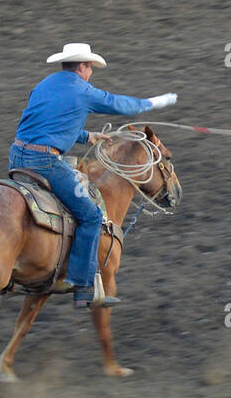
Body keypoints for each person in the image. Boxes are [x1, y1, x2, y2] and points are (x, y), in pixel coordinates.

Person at [9, 42, 177, 307]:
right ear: (83, 66)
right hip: (45, 162)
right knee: (91, 215)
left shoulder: (45, 85)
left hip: (17, 157)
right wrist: (155, 102)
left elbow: (47, 122)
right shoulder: (82, 91)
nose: (91, 73)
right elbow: (118, 104)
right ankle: (81, 284)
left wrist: (87, 136)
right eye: (90, 68)